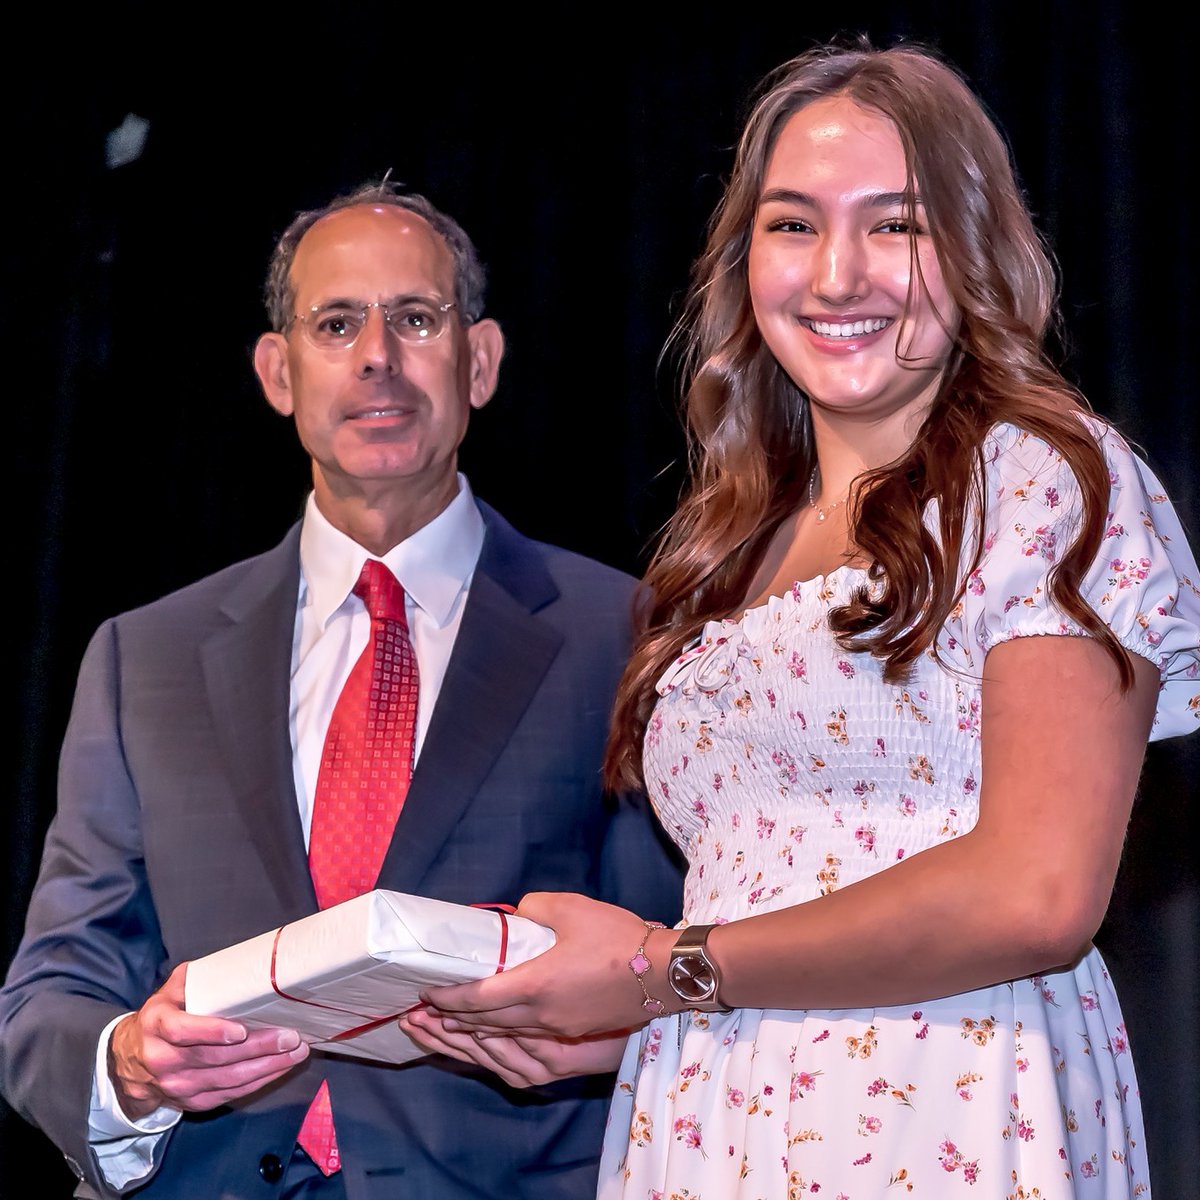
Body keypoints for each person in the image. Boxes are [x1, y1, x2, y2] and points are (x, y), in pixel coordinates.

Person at [398, 39, 1200, 1199]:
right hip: (716, 1110)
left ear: (978, 248)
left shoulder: (1038, 480)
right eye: (792, 224)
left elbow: (1038, 896)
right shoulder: (732, 541)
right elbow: (759, 902)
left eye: (897, 224)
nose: (837, 275)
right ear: (742, 259)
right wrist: (614, 1010)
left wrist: (655, 972)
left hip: (951, 1109)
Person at [0, 180, 683, 1199]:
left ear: (479, 362)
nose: (377, 357)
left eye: (415, 318)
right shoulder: (144, 659)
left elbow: (677, 961)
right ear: (278, 373)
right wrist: (132, 1065)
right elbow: (56, 989)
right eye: (336, 324)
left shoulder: (626, 635)